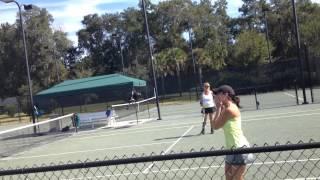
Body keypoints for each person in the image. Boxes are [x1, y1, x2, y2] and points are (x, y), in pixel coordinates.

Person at [211, 85, 253, 180]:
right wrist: (219, 108)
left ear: (226, 95)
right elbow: (215, 124)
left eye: (218, 94)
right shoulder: (226, 108)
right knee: (229, 178)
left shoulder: (229, 110)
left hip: (239, 148)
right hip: (230, 148)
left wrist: (218, 108)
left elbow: (215, 126)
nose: (215, 96)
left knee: (237, 178)